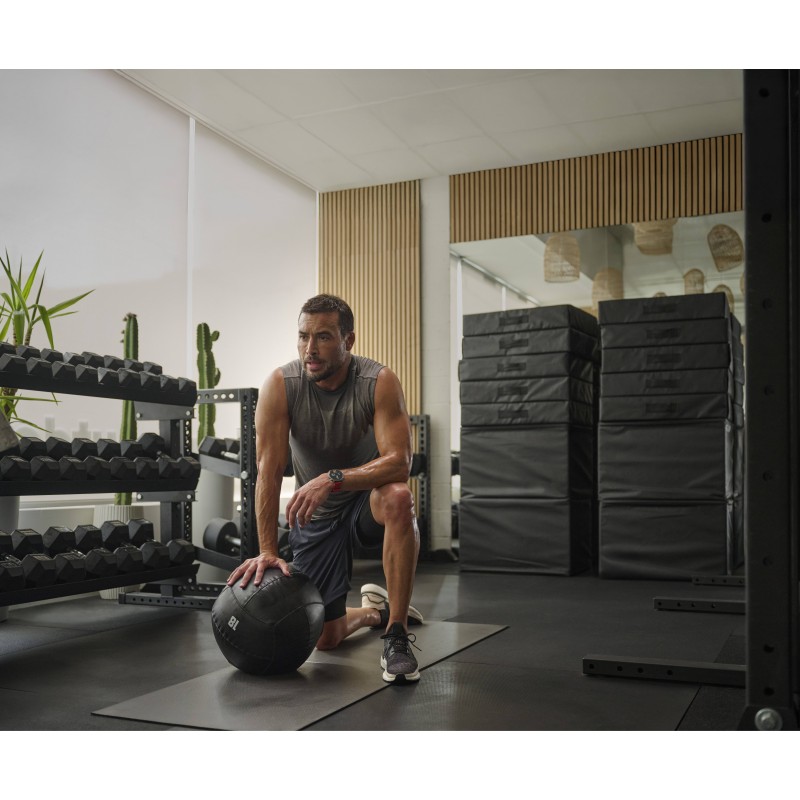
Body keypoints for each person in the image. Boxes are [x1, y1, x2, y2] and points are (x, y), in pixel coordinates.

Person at [227, 293, 423, 683]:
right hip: (317, 516)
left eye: (323, 337)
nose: (310, 349)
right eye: (303, 337)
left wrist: (332, 478)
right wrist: (267, 551)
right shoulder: (281, 385)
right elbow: (269, 472)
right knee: (326, 638)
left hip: (367, 503)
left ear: (348, 340)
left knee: (400, 497)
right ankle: (375, 612)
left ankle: (397, 634)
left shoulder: (377, 381)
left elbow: (400, 463)